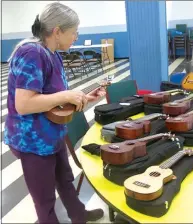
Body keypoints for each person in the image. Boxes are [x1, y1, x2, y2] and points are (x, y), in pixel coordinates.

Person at [4, 2, 105, 223]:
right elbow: (24, 104)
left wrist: (84, 99)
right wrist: (66, 96)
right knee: (44, 198)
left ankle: (78, 215)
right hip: (32, 141)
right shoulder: (31, 52)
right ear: (57, 31)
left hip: (53, 132)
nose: (76, 36)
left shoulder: (54, 54)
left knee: (65, 179)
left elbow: (55, 102)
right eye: (74, 32)